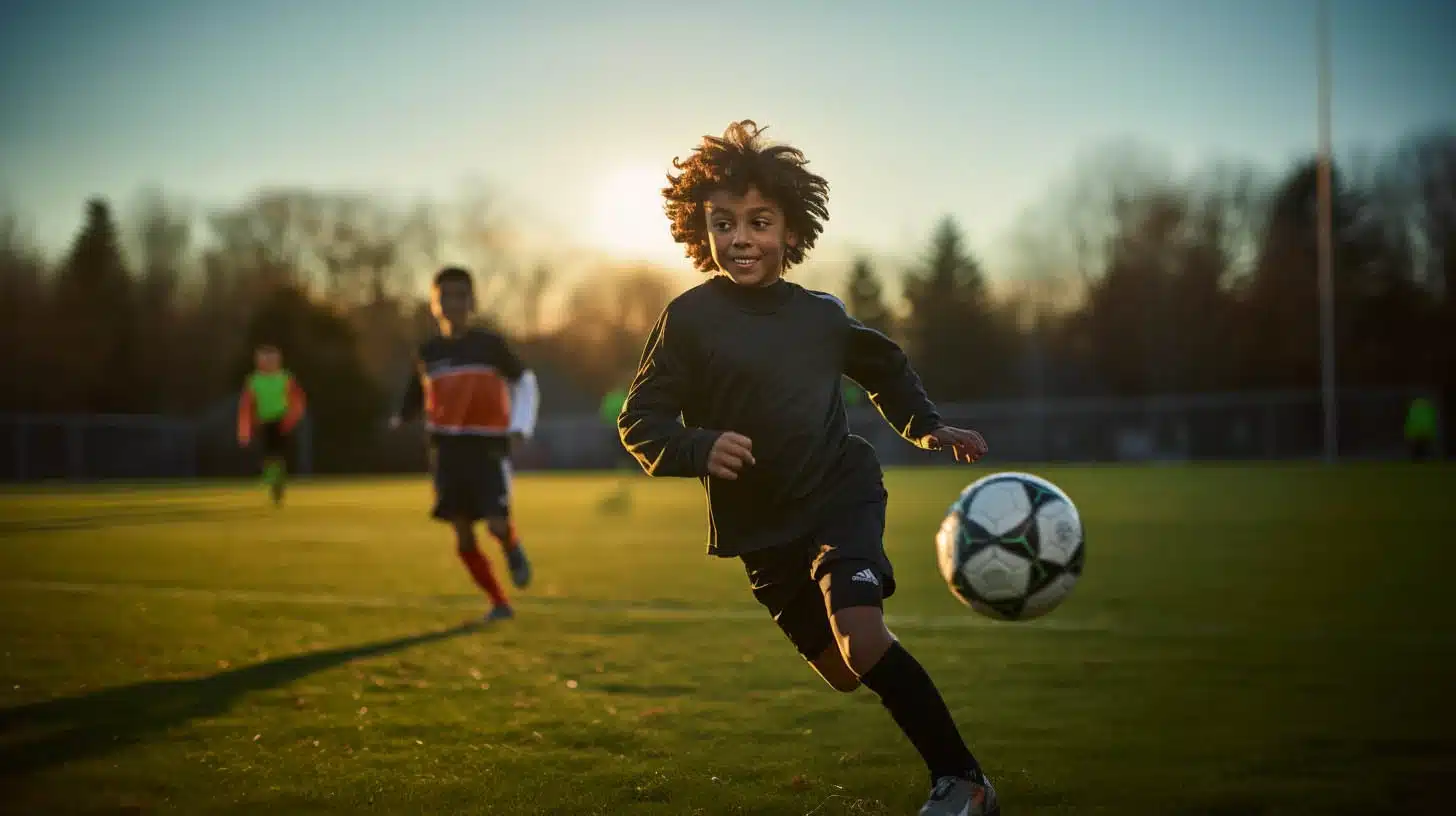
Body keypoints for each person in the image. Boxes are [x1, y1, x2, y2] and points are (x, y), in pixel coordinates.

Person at [617, 121, 998, 815]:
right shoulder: (688, 320)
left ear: (791, 231)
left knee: (860, 633)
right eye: (723, 223)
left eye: (759, 222)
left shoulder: (820, 317)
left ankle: (963, 781)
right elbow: (639, 422)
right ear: (697, 230)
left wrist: (928, 426)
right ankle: (925, 729)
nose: (740, 238)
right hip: (759, 530)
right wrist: (697, 447)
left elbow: (883, 366)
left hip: (837, 493)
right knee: (844, 672)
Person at [391, 266, 538, 622]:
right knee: (462, 537)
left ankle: (512, 547)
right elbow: (416, 392)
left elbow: (526, 381)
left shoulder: (490, 345)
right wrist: (401, 416)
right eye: (446, 296)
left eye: (461, 295)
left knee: (496, 524)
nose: (453, 303)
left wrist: (520, 427)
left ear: (471, 301)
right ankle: (498, 602)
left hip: (487, 448)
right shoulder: (428, 352)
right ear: (434, 304)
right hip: (446, 451)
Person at [236, 345, 306, 506]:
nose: (268, 363)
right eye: (265, 360)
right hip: (263, 422)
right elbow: (246, 406)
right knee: (268, 456)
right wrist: (244, 429)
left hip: (282, 421)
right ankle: (273, 481)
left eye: (272, 360)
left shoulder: (286, 378)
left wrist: (292, 418)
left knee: (280, 455)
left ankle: (278, 483)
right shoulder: (253, 381)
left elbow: (297, 400)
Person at [1404, 395, 1438, 462]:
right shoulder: (1428, 409)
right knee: (1424, 449)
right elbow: (1431, 421)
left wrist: (1408, 433)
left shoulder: (1413, 409)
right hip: (1425, 433)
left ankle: (1418, 461)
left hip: (1416, 433)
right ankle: (1426, 460)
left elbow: (1410, 422)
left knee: (1418, 451)